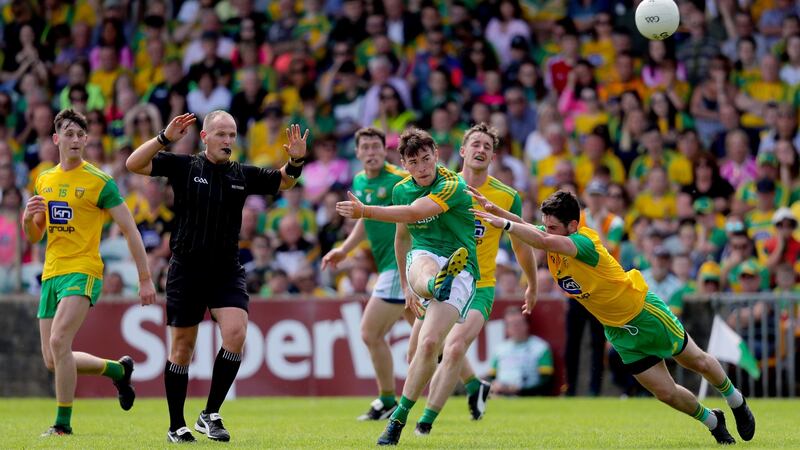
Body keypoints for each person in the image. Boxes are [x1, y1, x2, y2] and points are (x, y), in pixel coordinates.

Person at [469, 189, 757, 445]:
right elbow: (532, 229)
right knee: (666, 393)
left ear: (573, 225)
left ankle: (736, 401)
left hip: (645, 314)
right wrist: (495, 210)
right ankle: (713, 421)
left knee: (697, 361)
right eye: (546, 225)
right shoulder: (553, 235)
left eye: (553, 226)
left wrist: (506, 224)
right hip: (619, 331)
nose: (547, 230)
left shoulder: (583, 242)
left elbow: (541, 238)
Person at [126, 111, 309, 443]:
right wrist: (164, 138)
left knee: (237, 334)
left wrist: (295, 161)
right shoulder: (184, 167)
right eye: (221, 134)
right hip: (187, 268)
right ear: (206, 137)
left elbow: (284, 180)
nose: (228, 141)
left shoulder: (242, 174)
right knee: (182, 349)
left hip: (226, 269)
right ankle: (175, 425)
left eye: (232, 135)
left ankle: (210, 413)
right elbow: (133, 164)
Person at [335, 128, 478, 446]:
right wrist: (406, 286)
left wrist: (365, 212)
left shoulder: (453, 184)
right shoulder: (401, 190)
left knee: (428, 346)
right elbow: (402, 236)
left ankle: (398, 416)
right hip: (423, 259)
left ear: (437, 156)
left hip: (461, 265)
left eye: (427, 159)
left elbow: (416, 213)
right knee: (422, 263)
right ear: (405, 164)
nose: (423, 167)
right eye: (414, 162)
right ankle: (430, 285)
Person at [22, 108, 156, 437]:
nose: (76, 140)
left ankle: (62, 425)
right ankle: (117, 370)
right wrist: (28, 219)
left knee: (59, 341)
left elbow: (130, 229)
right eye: (69, 134)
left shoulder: (99, 181)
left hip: (83, 270)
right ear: (56, 139)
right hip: (51, 272)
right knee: (54, 359)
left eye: (81, 135)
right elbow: (36, 235)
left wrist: (145, 277)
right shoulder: (44, 179)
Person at [408, 123, 537, 436]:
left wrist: (531, 282)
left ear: (492, 156)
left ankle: (423, 426)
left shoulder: (507, 197)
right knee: (420, 352)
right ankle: (474, 385)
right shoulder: (440, 185)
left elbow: (521, 243)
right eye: (475, 144)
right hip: (439, 279)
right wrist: (410, 279)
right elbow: (412, 227)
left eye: (487, 147)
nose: (481, 150)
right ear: (462, 151)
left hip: (479, 285)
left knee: (452, 349)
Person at [320, 127, 413, 421]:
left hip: (402, 265)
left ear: (385, 150)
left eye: (376, 147)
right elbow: (364, 219)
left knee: (370, 332)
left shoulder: (400, 179)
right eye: (366, 147)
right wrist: (344, 250)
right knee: (424, 332)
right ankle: (474, 384)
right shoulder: (359, 181)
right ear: (357, 153)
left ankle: (388, 400)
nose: (371, 152)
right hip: (389, 266)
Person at [488, 307, 553, 396]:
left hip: (528, 395)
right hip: (500, 395)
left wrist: (520, 390)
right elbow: (492, 376)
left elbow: (547, 380)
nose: (515, 327)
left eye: (518, 323)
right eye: (511, 324)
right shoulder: (499, 349)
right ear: (506, 328)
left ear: (527, 325)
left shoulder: (540, 348)